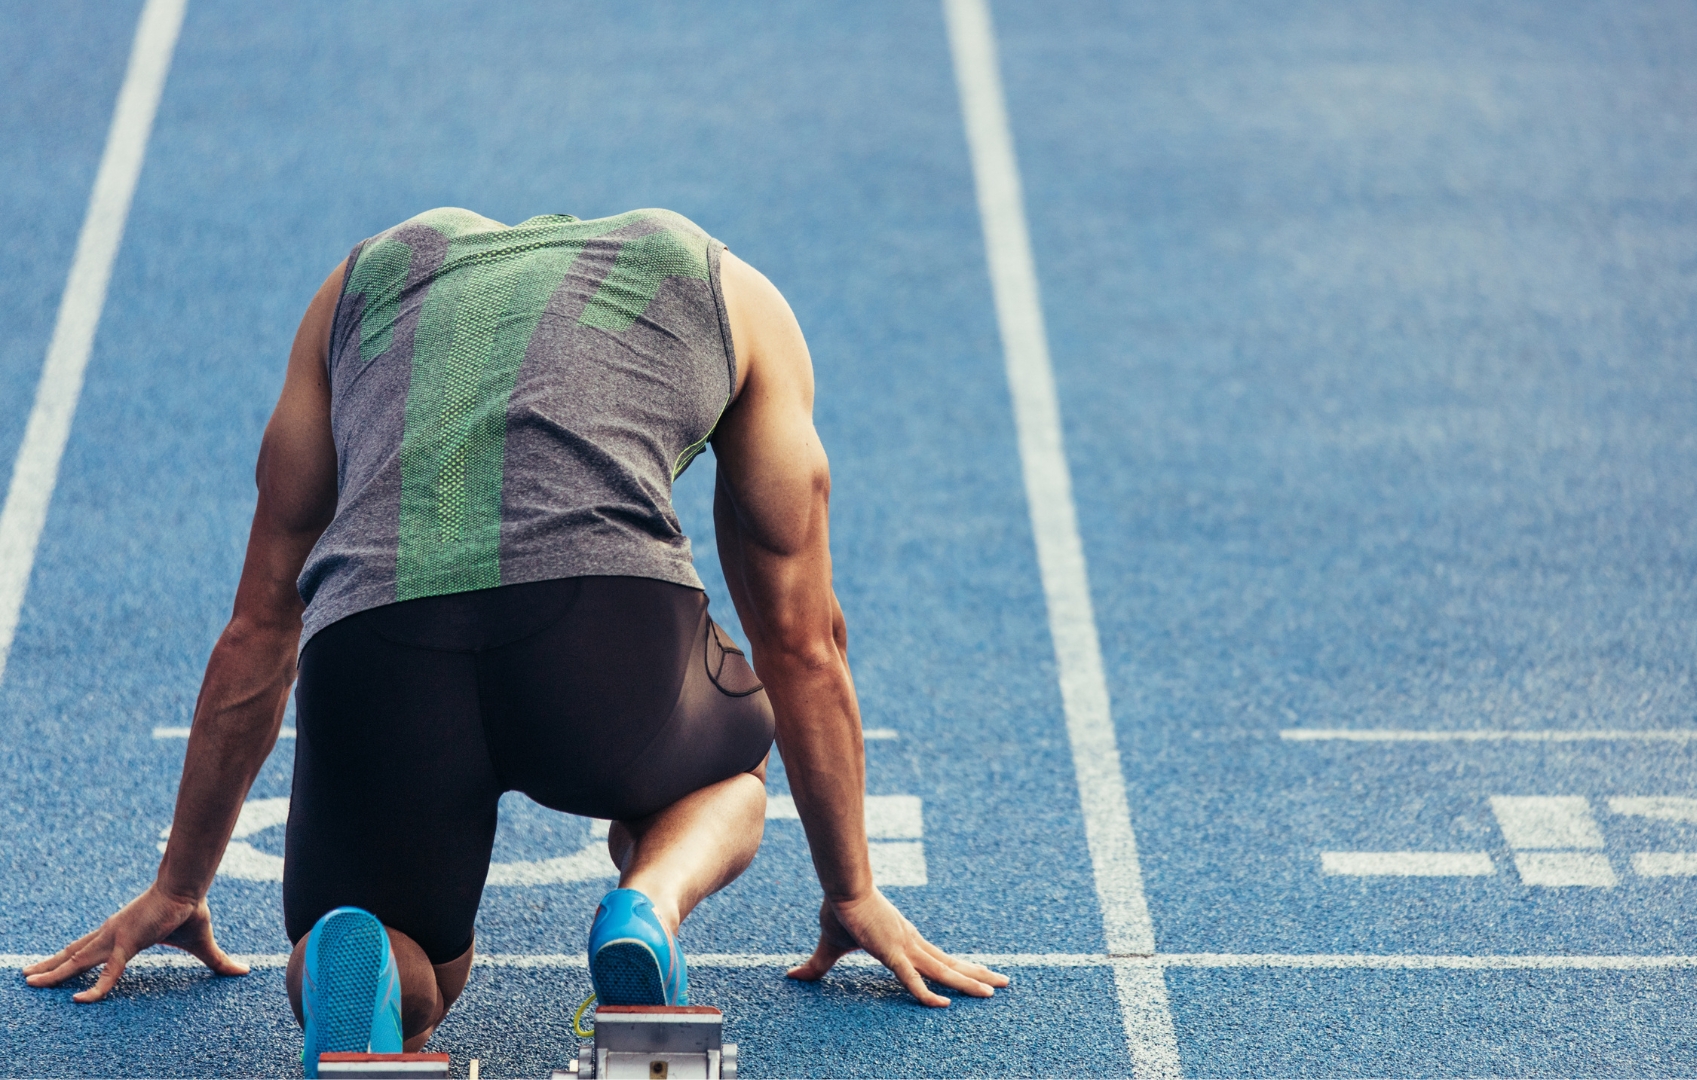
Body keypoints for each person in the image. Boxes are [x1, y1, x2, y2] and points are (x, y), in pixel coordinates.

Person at [22, 207, 1007, 1072]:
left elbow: (259, 623)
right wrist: (853, 890)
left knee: (417, 966)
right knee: (725, 776)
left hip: (379, 647)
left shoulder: (358, 283)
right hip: (603, 645)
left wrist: (180, 881)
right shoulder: (731, 293)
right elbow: (803, 638)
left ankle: (359, 958)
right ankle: (646, 912)